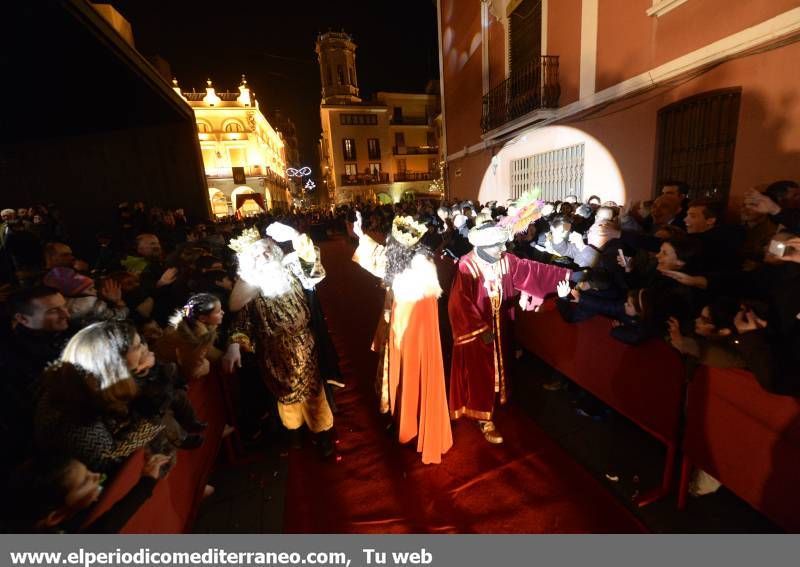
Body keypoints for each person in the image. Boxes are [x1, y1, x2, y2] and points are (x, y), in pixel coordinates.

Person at [448, 193, 571, 444]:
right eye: (497, 246)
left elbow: (532, 271)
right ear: (482, 247)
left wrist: (568, 276)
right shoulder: (466, 266)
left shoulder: (506, 260)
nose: (502, 249)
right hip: (478, 331)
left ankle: (499, 397)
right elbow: (458, 303)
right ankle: (484, 417)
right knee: (480, 371)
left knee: (501, 364)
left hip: (500, 323)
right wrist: (479, 329)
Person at [222, 228, 335, 457]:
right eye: (256, 256)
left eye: (265, 250)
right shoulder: (250, 291)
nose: (263, 257)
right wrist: (234, 344)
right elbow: (241, 322)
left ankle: (323, 435)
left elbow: (311, 265)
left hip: (305, 345)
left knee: (314, 393)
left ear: (273, 250)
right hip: (273, 355)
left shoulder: (291, 269)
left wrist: (296, 237)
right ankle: (294, 434)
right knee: (285, 398)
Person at [351, 212, 452, 464]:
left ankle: (414, 425)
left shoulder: (419, 269)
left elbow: (381, 263)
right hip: (400, 330)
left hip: (409, 334)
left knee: (412, 375)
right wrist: (360, 235)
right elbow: (377, 258)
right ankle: (407, 421)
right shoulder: (403, 260)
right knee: (403, 376)